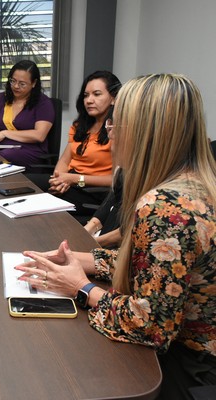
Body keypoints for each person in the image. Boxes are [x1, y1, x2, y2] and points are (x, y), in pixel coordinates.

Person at [16, 74, 216, 399]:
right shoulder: (194, 182)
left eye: (115, 123)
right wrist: (85, 259)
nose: (109, 132)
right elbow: (157, 269)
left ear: (143, 131)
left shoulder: (167, 207)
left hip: (191, 364)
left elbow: (150, 327)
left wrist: (80, 287)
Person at [27, 71, 121, 217]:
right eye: (86, 95)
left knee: (36, 204)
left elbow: (115, 180)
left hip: (92, 191)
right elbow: (65, 160)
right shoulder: (80, 126)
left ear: (113, 98)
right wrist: (59, 179)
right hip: (71, 181)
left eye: (96, 94)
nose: (89, 100)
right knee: (22, 183)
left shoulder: (116, 131)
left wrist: (74, 180)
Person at [0, 60, 55, 169]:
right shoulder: (0, 99)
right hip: (3, 147)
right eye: (13, 81)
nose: (16, 86)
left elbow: (39, 135)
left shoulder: (43, 103)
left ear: (34, 83)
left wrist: (5, 133)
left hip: (31, 151)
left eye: (22, 84)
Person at [83, 166, 123, 249]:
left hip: (117, 249)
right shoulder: (123, 171)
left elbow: (129, 231)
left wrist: (90, 243)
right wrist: (84, 232)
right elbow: (111, 200)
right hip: (101, 241)